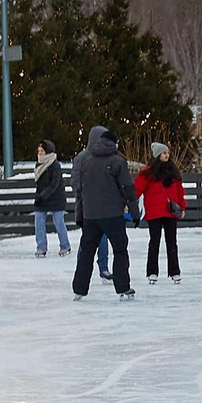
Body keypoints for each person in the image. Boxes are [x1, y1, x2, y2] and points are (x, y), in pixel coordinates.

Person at [69, 125, 139, 301]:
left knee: (86, 252)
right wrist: (135, 212)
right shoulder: (117, 162)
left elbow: (80, 190)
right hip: (112, 215)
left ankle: (79, 288)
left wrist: (80, 216)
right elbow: (127, 188)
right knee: (120, 250)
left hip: (91, 216)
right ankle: (123, 288)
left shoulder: (86, 161)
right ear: (113, 143)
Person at [136, 142, 187, 285]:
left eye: (168, 153)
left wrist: (182, 207)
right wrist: (128, 203)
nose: (167, 155)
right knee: (154, 242)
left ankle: (175, 271)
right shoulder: (148, 172)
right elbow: (137, 189)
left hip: (170, 212)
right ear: (158, 155)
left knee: (172, 242)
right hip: (154, 212)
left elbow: (179, 192)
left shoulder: (173, 172)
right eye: (164, 153)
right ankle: (152, 272)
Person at [30, 140, 68, 256]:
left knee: (59, 222)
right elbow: (39, 184)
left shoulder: (55, 165)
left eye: (42, 151)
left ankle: (65, 246)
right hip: (42, 198)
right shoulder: (39, 165)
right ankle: (41, 247)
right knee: (39, 221)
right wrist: (39, 197)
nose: (40, 153)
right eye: (39, 151)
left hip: (56, 198)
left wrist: (43, 195)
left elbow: (55, 183)